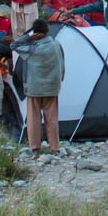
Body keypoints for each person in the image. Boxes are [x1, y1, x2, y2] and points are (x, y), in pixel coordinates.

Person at [12, 19, 64, 155]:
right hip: (52, 87)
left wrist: (28, 37)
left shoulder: (31, 48)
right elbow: (62, 64)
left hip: (34, 87)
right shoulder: (56, 45)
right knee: (52, 118)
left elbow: (14, 45)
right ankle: (55, 148)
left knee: (34, 118)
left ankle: (35, 147)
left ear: (35, 32)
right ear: (47, 31)